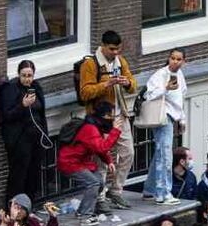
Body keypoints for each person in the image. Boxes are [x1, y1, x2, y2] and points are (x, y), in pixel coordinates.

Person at [78, 30, 136, 210]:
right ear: (103, 46)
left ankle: (116, 190)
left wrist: (127, 83)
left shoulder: (121, 61)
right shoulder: (90, 64)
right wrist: (107, 84)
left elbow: (133, 86)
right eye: (112, 49)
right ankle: (100, 198)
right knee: (101, 160)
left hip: (120, 115)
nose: (116, 53)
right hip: (101, 119)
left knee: (128, 153)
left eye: (118, 49)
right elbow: (85, 92)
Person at [57, 100, 121, 225]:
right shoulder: (90, 129)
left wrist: (108, 161)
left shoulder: (95, 126)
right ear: (104, 116)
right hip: (70, 162)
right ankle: (85, 216)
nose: (113, 120)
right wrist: (115, 131)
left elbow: (97, 147)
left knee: (100, 183)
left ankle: (82, 210)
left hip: (82, 162)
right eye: (111, 116)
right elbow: (102, 147)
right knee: (93, 183)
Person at [0, 60, 50, 202]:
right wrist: (23, 105)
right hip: (20, 139)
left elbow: (41, 113)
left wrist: (45, 135)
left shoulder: (36, 87)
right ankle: (13, 206)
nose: (27, 79)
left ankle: (29, 205)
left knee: (33, 173)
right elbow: (7, 115)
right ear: (18, 74)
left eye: (30, 75)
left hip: (36, 137)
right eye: (24, 75)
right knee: (18, 174)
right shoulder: (11, 89)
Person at [143, 49, 186, 206]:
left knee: (161, 153)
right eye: (172, 58)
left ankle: (149, 189)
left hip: (172, 116)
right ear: (168, 59)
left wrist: (182, 119)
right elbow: (149, 95)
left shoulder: (180, 75)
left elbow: (181, 97)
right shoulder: (160, 75)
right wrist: (165, 88)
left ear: (183, 62)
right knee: (165, 155)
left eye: (178, 59)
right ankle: (163, 193)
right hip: (162, 116)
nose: (175, 61)